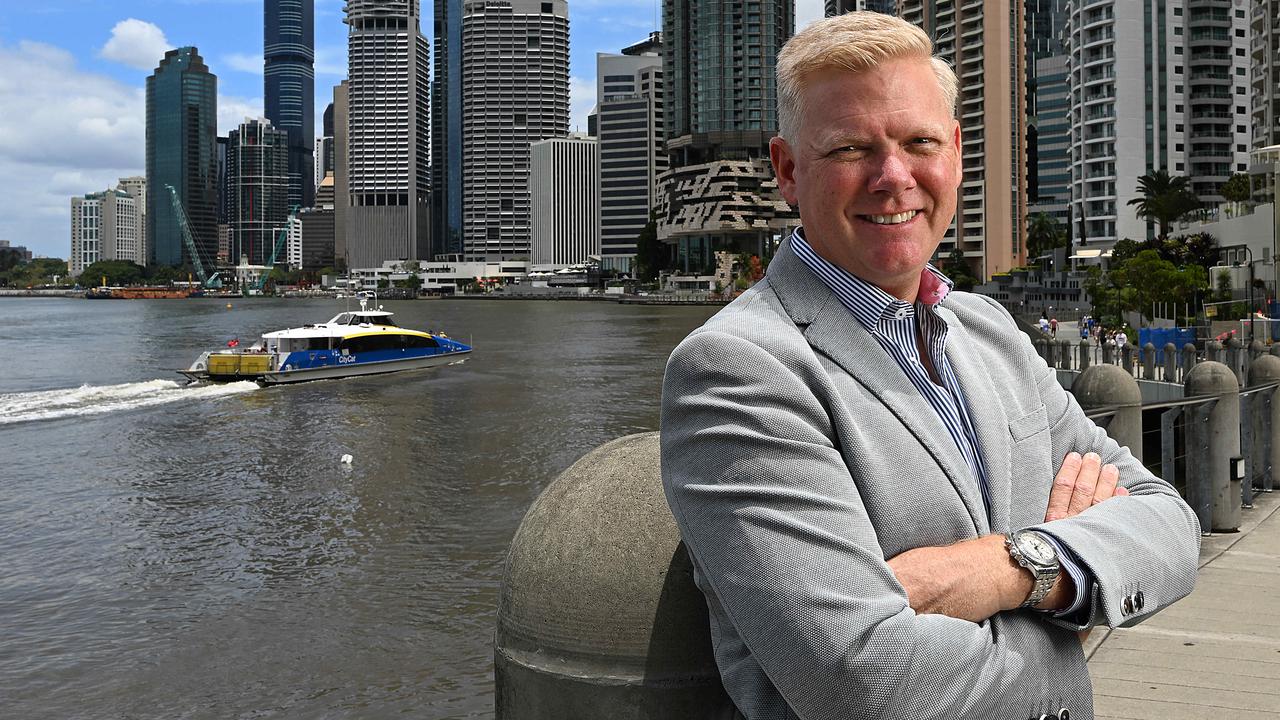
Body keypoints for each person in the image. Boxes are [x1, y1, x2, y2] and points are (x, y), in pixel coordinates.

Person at [659, 12, 1200, 720]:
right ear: (788, 171)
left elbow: (1172, 527)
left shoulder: (988, 331)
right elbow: (864, 683)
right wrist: (1075, 593)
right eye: (851, 148)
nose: (893, 178)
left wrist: (1012, 568)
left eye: (918, 143)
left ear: (955, 152)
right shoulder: (735, 371)